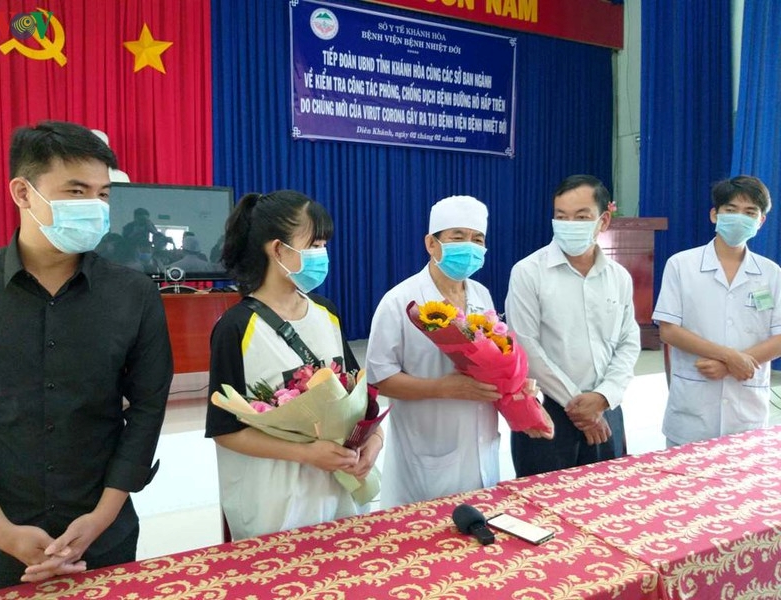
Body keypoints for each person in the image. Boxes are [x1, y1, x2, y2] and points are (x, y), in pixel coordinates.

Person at [0, 121, 173, 591]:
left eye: (103, 194)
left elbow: (147, 409)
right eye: (76, 191)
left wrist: (102, 517)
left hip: (104, 535)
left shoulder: (134, 294)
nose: (95, 206)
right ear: (23, 193)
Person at [205, 191, 382, 539]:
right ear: (278, 249)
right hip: (275, 501)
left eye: (324, 245)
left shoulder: (326, 312)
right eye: (313, 245)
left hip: (338, 491)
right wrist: (305, 453)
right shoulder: (236, 327)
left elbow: (360, 398)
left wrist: (373, 441)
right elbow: (226, 431)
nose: (322, 255)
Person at [366, 195, 506, 509]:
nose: (469, 246)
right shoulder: (399, 301)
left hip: (481, 444)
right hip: (426, 450)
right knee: (424, 531)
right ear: (431, 243)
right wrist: (442, 388)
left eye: (477, 239)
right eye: (458, 237)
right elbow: (379, 379)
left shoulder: (481, 295)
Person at [505, 175, 640, 477]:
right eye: (561, 216)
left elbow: (628, 341)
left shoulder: (618, 277)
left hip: (605, 406)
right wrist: (578, 407)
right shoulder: (528, 272)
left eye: (581, 217)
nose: (570, 224)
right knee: (543, 499)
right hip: (546, 410)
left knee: (607, 496)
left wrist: (604, 396)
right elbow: (525, 347)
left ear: (603, 220)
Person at [653, 175, 781, 447]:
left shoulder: (771, 273)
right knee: (683, 472)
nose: (739, 218)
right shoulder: (681, 265)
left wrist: (729, 366)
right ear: (715, 214)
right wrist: (729, 356)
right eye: (731, 210)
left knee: (744, 472)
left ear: (760, 221)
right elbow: (669, 330)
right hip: (692, 410)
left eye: (750, 213)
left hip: (746, 411)